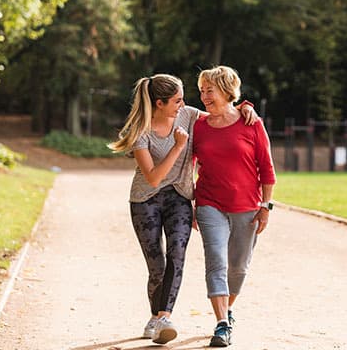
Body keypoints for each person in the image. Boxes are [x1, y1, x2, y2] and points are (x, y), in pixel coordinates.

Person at [108, 74, 257, 345]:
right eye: (177, 100)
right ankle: (155, 316)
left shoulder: (188, 114)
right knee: (157, 266)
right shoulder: (140, 132)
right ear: (160, 103)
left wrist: (245, 105)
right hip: (146, 199)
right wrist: (178, 146)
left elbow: (222, 113)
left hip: (180, 197)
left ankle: (164, 317)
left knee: (177, 252)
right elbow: (153, 177)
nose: (183, 104)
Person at [192, 66, 276, 347]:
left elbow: (266, 167)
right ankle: (221, 324)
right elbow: (188, 163)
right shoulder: (199, 125)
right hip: (208, 203)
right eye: (201, 90)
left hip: (247, 206)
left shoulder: (251, 122)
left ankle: (228, 309)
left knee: (238, 267)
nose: (204, 96)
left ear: (227, 92)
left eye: (209, 90)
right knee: (216, 260)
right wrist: (188, 199)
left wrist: (266, 205)